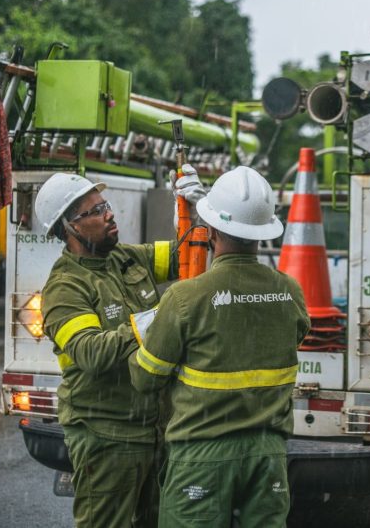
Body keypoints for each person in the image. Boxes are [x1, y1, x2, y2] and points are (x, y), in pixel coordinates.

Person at [129, 166, 311, 528]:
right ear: (263, 233)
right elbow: (293, 334)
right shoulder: (290, 291)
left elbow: (146, 378)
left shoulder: (185, 297)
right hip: (267, 454)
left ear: (210, 231)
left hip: (202, 453)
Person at [35, 167, 204, 528]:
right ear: (69, 227)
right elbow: (91, 353)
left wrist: (196, 215)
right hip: (106, 435)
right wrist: (158, 318)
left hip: (153, 426)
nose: (109, 214)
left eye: (105, 205)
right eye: (94, 212)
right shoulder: (65, 287)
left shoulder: (126, 257)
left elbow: (192, 259)